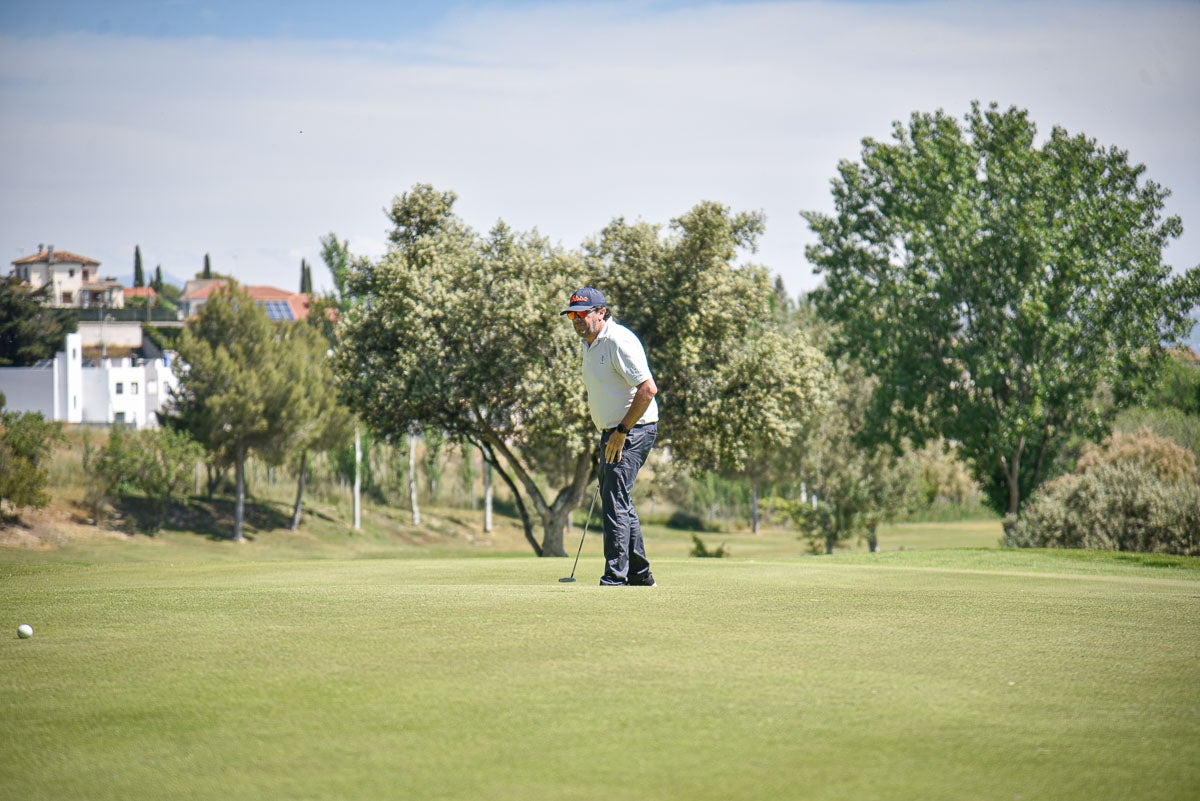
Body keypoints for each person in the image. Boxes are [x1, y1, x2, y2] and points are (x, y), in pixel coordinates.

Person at [561, 287, 659, 586]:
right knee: (618, 499)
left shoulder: (618, 341)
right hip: (614, 431)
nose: (576, 320)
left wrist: (621, 431)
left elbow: (647, 390)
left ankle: (615, 577)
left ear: (601, 312)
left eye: (582, 313)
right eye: (572, 315)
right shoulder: (589, 343)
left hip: (633, 430)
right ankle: (640, 575)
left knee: (614, 501)